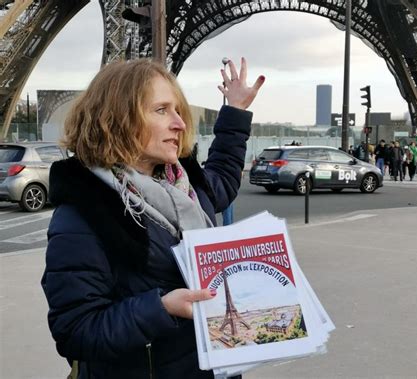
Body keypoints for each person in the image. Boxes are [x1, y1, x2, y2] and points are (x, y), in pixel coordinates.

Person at [40, 58, 265, 378]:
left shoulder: (184, 185)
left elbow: (224, 178)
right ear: (117, 119)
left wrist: (236, 111)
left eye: (177, 110)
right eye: (161, 110)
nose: (180, 123)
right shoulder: (85, 213)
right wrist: (161, 308)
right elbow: (76, 330)